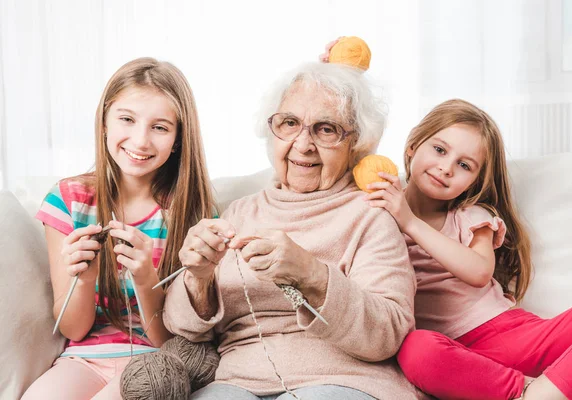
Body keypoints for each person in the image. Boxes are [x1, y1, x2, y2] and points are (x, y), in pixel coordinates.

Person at [162, 62, 424, 400]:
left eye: (326, 129)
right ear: (272, 131)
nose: (303, 144)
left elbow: (387, 335)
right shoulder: (241, 211)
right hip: (237, 382)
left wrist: (311, 273)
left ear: (355, 142)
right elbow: (183, 329)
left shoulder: (371, 214)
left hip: (345, 380)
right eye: (289, 123)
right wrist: (197, 278)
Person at [364, 98, 572, 400]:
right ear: (412, 145)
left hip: (513, 337)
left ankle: (547, 392)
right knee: (414, 349)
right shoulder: (377, 209)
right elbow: (349, 148)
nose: (446, 168)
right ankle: (534, 392)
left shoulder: (472, 215)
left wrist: (409, 222)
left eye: (464, 165)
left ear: (475, 180)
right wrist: (342, 74)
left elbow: (478, 271)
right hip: (456, 358)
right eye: (439, 149)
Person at [22, 57, 216, 399]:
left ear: (178, 139)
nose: (140, 141)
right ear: (105, 122)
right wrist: (83, 278)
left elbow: (168, 340)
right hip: (84, 358)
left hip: (155, 364)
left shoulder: (192, 213)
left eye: (160, 127)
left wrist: (145, 278)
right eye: (127, 119)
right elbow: (73, 329)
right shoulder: (69, 199)